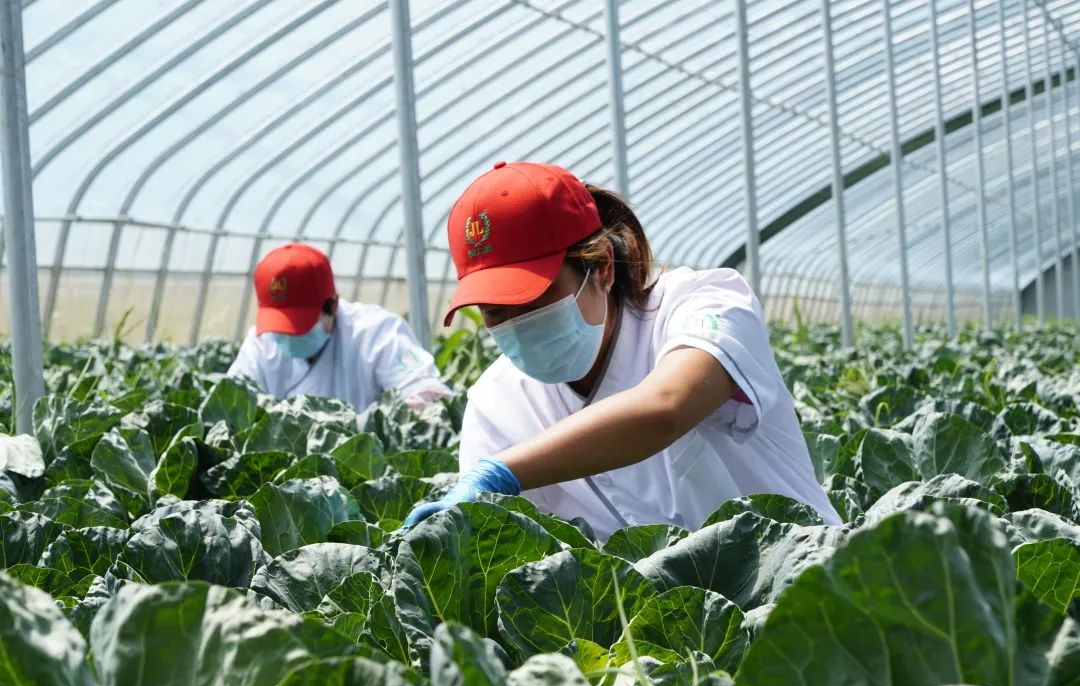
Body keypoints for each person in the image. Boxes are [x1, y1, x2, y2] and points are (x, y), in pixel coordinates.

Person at [403, 161, 841, 538]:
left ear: (602, 270)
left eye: (533, 298)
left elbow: (665, 408)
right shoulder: (496, 401)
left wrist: (503, 473)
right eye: (494, 311)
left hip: (808, 604)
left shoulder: (701, 303)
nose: (516, 324)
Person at [228, 243, 450, 413]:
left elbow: (426, 391)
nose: (287, 336)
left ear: (333, 305)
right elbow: (231, 404)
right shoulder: (259, 344)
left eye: (299, 326)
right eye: (278, 327)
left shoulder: (376, 332)